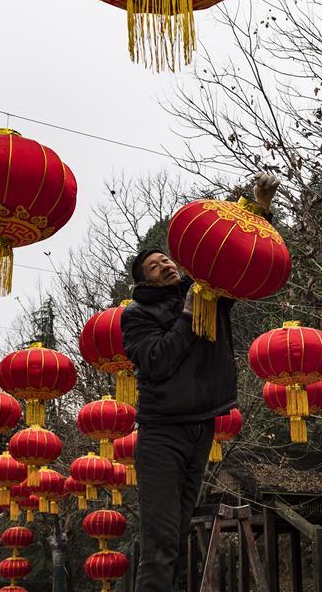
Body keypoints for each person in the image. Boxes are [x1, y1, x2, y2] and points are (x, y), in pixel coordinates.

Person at [122, 173, 280, 591]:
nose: (167, 265)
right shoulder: (138, 315)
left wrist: (259, 207)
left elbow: (239, 255)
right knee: (159, 540)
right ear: (144, 282)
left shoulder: (208, 289)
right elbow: (155, 362)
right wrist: (189, 318)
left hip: (202, 426)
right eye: (156, 267)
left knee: (177, 533)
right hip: (162, 432)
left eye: (167, 260)